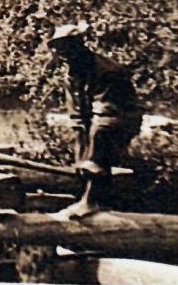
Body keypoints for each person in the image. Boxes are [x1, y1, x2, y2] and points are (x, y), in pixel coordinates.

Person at [47, 21, 145, 218]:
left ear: (79, 45)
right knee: (83, 146)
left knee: (100, 136)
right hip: (98, 118)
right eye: (60, 50)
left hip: (122, 116)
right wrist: (80, 154)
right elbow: (77, 115)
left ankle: (94, 201)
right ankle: (85, 196)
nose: (64, 54)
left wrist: (90, 153)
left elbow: (108, 109)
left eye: (68, 47)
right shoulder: (70, 75)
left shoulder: (106, 70)